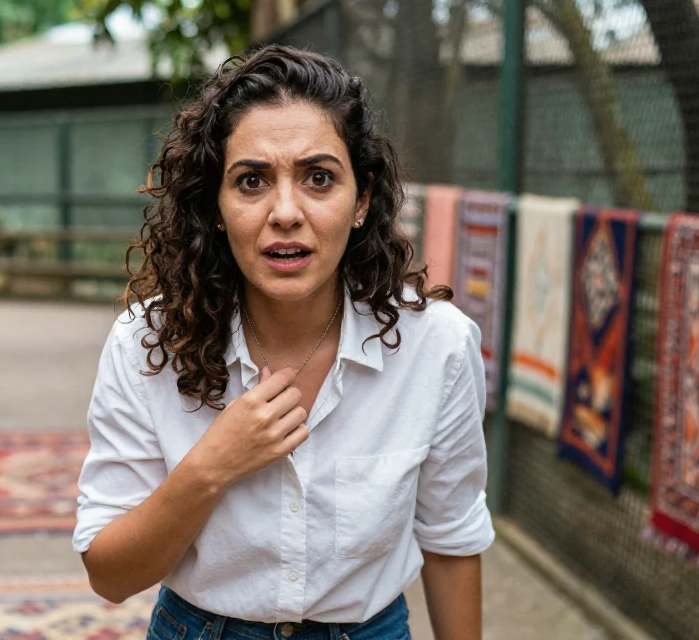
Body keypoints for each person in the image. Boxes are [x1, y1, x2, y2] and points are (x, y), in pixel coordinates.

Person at [73, 45, 493, 640]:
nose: (286, 212)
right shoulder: (146, 343)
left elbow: (452, 541)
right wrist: (210, 467)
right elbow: (110, 577)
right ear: (215, 206)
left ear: (363, 199)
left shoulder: (437, 346)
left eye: (318, 178)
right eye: (251, 181)